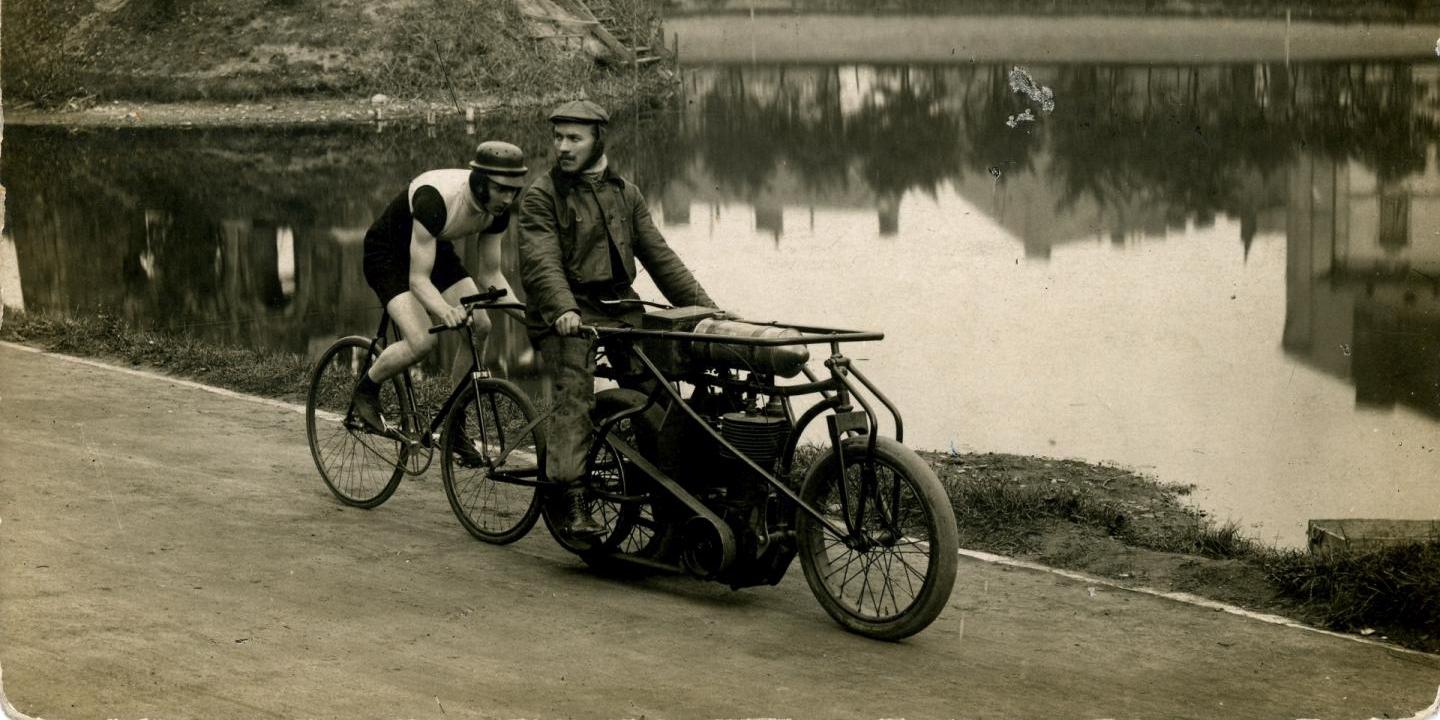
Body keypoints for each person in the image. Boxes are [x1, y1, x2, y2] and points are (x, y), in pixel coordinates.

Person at [518, 100, 718, 537]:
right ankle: (568, 497)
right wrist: (564, 310)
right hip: (564, 313)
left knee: (659, 391)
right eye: (558, 138)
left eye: (575, 138)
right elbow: (541, 263)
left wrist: (709, 312)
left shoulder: (626, 193)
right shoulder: (541, 195)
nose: (563, 147)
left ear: (598, 141)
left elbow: (662, 260)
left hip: (618, 308)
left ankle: (669, 492)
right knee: (576, 391)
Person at [350, 141, 528, 445]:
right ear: (482, 183)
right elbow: (418, 280)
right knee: (422, 341)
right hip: (388, 254)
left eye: (514, 190)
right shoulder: (436, 199)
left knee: (480, 326)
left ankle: (453, 425)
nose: (508, 198)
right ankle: (366, 389)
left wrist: (528, 315)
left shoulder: (498, 211)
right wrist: (445, 311)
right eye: (502, 189)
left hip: (434, 249)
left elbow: (491, 275)